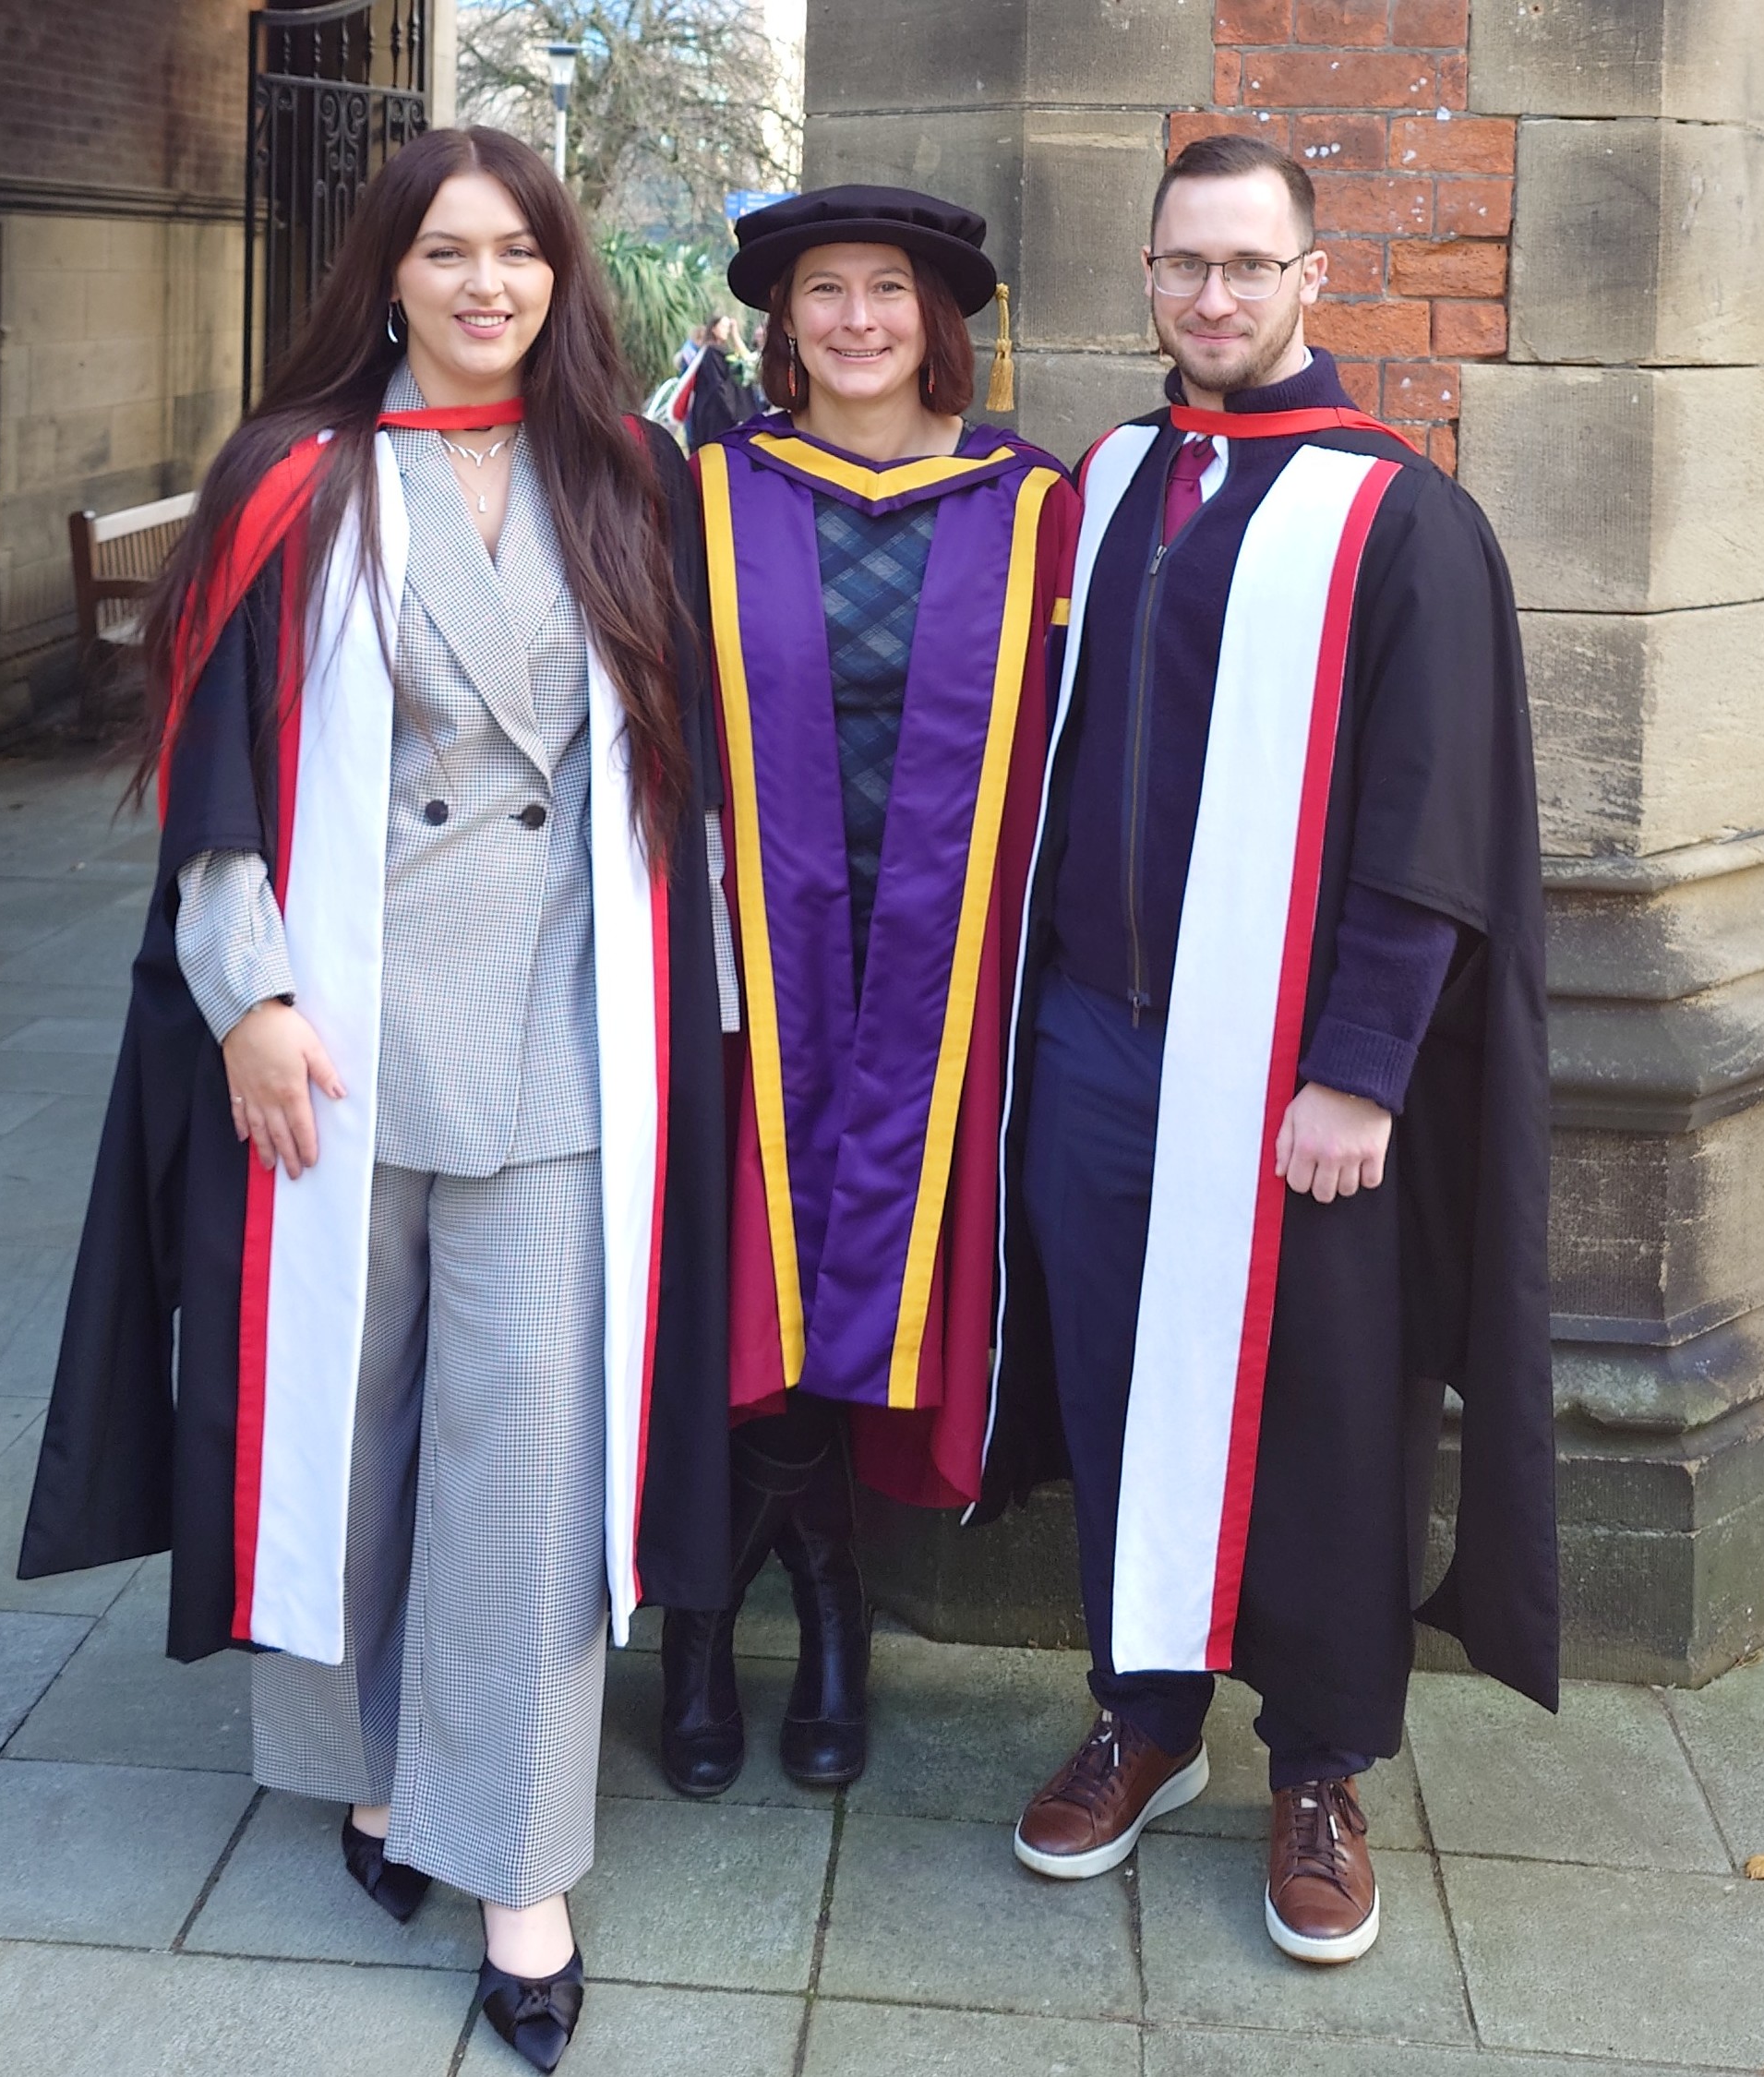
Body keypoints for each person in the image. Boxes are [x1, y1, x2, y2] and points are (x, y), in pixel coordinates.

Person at [16, 126, 731, 2070]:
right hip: (338, 1039)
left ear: (561, 275)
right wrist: (244, 996)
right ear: (386, 276)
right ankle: (366, 1763)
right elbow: (216, 767)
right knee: (350, 1435)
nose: (487, 284)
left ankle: (517, 1863)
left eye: (520, 251)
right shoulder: (296, 478)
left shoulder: (632, 473)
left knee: (524, 1465)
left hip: (565, 1042)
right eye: (447, 251)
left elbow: (696, 773)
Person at [980, 134, 1556, 1964]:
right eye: (1184, 264)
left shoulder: (1397, 516)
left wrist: (1364, 1064)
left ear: (1315, 275)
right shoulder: (1115, 479)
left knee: (1324, 1405)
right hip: (1095, 1042)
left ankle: (1319, 1764)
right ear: (1148, 277)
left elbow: (1432, 817)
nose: (1213, 295)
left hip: (1295, 1070)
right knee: (1118, 1384)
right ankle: (1145, 1715)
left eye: (1248, 264)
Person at [657, 186, 1080, 1798]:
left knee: (876, 1253)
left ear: (936, 318)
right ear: (781, 322)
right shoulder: (705, 491)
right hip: (746, 965)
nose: (853, 319)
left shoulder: (1034, 507)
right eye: (821, 291)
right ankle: (741, 1606)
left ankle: (797, 1593)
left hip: (945, 971)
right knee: (742, 1267)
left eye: (885, 290)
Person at [682, 315, 759, 450]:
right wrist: (733, 412)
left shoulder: (722, 351)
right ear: (714, 329)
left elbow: (747, 360)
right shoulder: (712, 352)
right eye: (723, 326)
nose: (726, 330)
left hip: (719, 413)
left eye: (727, 327)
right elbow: (718, 384)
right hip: (715, 414)